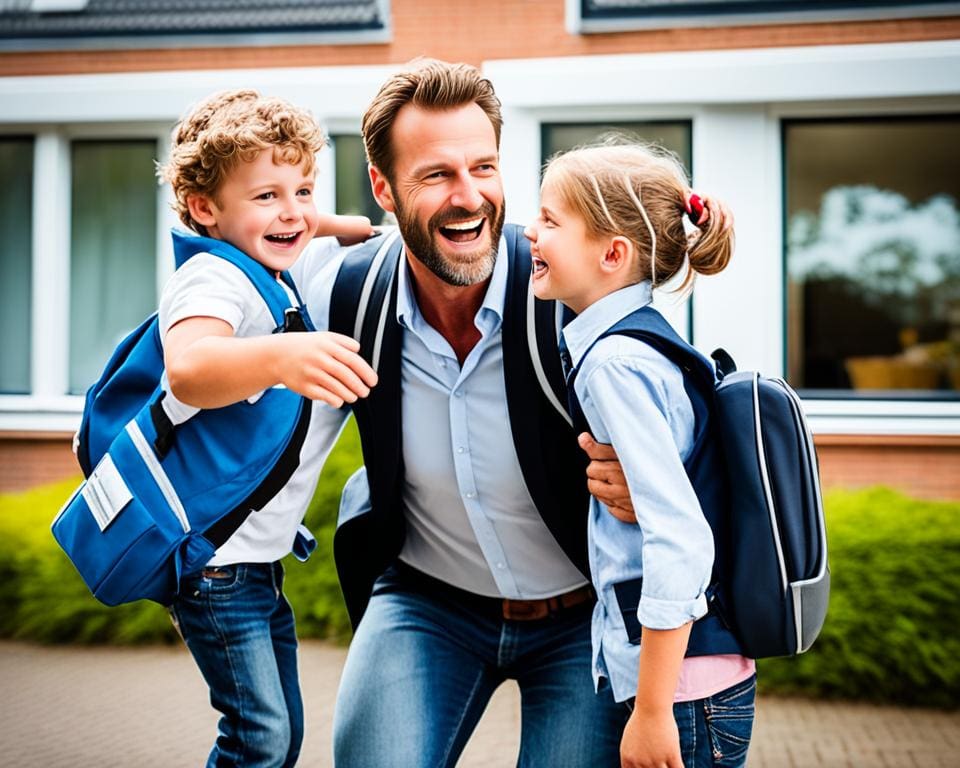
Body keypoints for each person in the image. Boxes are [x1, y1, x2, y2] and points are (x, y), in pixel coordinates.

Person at [292, 58, 725, 767]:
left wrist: (650, 483)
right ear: (383, 188)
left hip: (582, 619)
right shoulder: (343, 294)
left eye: (484, 168)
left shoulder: (571, 291)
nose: (470, 198)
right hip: (425, 603)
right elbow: (226, 377)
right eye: (436, 175)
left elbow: (686, 418)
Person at [156, 88, 378, 768]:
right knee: (260, 739)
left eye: (303, 189)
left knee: (278, 739)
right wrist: (285, 358)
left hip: (255, 566)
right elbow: (189, 368)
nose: (292, 211)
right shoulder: (213, 280)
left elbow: (317, 222)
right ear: (204, 210)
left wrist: (334, 223)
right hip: (216, 568)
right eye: (266, 196)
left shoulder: (272, 260)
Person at [523, 140, 756, 768]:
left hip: (678, 693)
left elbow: (679, 537)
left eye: (549, 220)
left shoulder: (615, 363)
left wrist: (652, 712)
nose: (529, 231)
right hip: (690, 679)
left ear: (612, 254)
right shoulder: (641, 342)